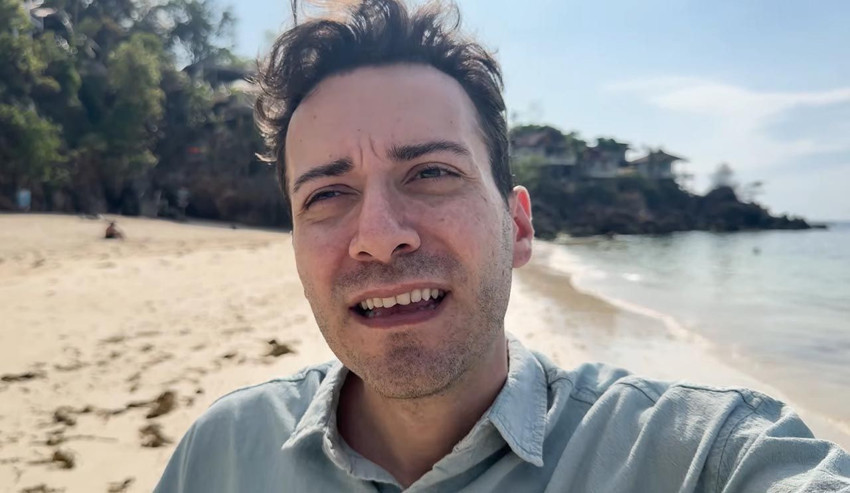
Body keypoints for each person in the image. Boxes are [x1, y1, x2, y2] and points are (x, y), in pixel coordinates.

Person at [155, 1, 850, 491]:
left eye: (431, 173)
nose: (379, 237)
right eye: (327, 194)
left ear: (517, 227)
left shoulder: (695, 456)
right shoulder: (220, 454)